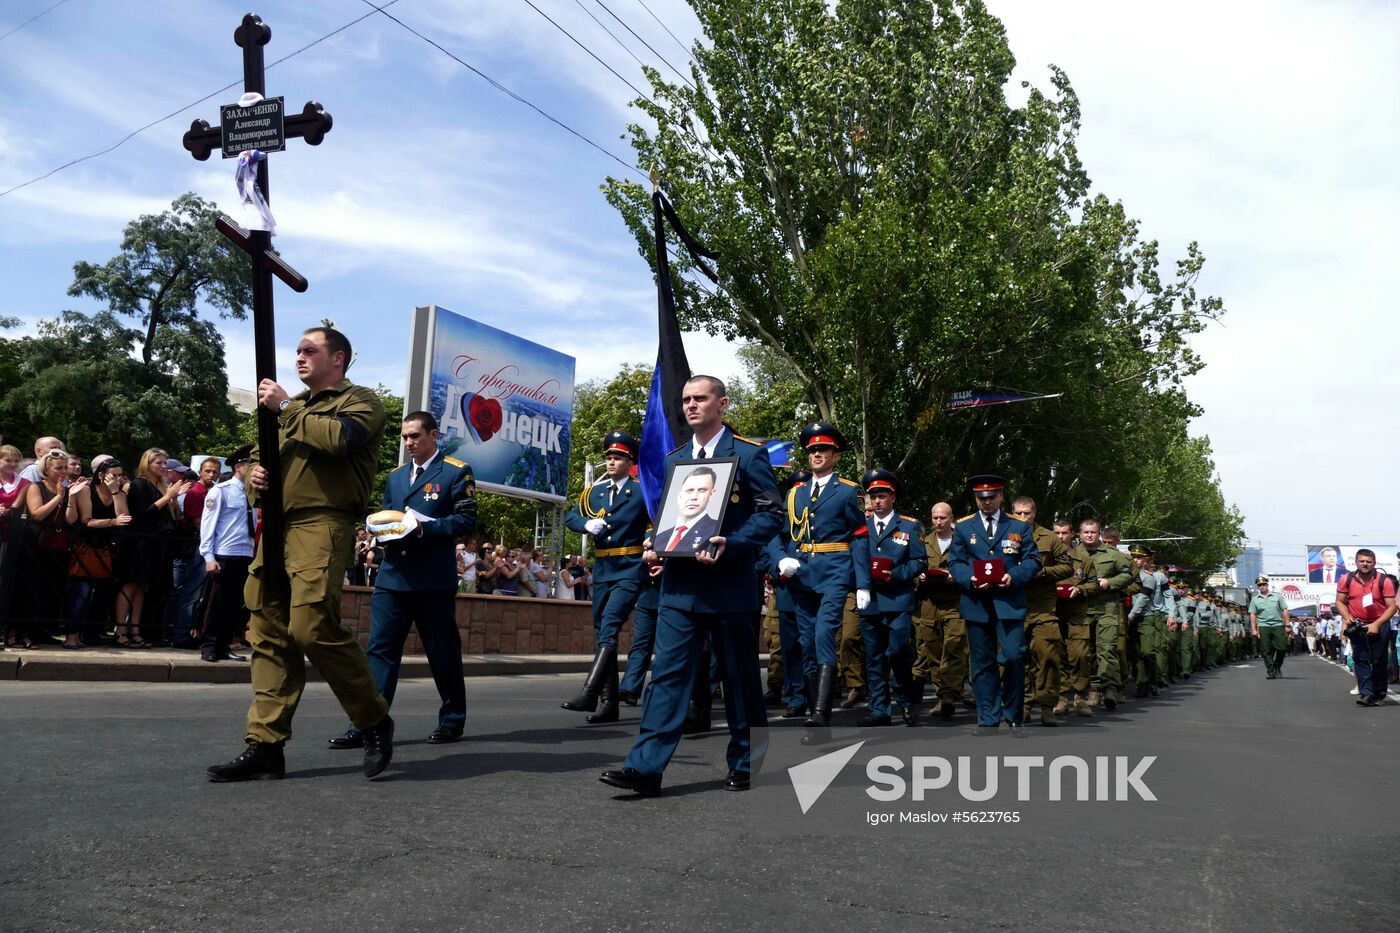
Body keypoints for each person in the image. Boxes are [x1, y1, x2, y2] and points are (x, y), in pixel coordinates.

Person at [207, 325, 394, 782]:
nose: (300, 358)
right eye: (297, 351)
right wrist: (254, 479)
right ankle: (265, 745)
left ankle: (372, 719)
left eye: (311, 351)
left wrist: (286, 407)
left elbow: (340, 440)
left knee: (311, 626)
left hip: (322, 523)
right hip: (277, 528)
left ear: (339, 359)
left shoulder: (360, 401)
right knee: (267, 634)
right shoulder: (288, 412)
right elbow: (263, 463)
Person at [600, 375, 781, 795]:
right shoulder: (675, 459)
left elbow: (771, 515)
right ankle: (645, 768)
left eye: (700, 398)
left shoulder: (750, 455)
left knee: (738, 679)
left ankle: (748, 762)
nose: (691, 406)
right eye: (686, 400)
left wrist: (731, 543)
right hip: (681, 586)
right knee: (666, 675)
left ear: (722, 404)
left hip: (730, 585)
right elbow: (673, 516)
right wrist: (660, 545)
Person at [329, 410, 477, 749]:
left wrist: (424, 527)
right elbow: (385, 514)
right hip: (393, 576)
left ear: (433, 435)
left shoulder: (456, 472)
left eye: (415, 436)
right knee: (380, 651)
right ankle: (366, 722)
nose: (409, 442)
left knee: (442, 652)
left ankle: (452, 719)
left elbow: (466, 521)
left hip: (431, 579)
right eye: (405, 437)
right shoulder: (397, 477)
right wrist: (377, 529)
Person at [772, 421, 868, 730]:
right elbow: (783, 535)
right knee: (806, 641)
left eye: (823, 450)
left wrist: (863, 582)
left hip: (834, 571)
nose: (816, 454)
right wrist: (781, 559)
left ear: (835, 456)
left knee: (824, 632)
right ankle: (815, 706)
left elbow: (860, 536)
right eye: (812, 450)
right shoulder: (794, 496)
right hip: (802, 574)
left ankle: (821, 712)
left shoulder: (849, 491)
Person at [561, 431, 647, 723]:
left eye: (618, 457)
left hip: (631, 566)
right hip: (604, 568)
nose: (611, 461)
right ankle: (609, 704)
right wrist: (587, 524)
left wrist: (649, 544)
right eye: (609, 457)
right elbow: (571, 516)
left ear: (630, 461)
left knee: (610, 624)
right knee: (602, 633)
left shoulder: (641, 490)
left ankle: (590, 691)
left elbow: (655, 522)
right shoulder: (593, 492)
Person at [947, 474, 1041, 735]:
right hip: (977, 602)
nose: (986, 502)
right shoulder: (964, 528)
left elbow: (1033, 561)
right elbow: (955, 563)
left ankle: (1013, 716)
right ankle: (987, 718)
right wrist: (970, 579)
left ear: (1001, 496)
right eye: (981, 498)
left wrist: (1015, 576)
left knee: (1013, 656)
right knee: (982, 662)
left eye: (991, 497)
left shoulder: (1018, 527)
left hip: (1008, 600)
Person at [850, 469, 927, 727]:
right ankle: (880, 710)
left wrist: (895, 575)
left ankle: (906, 702)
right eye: (873, 497)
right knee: (874, 657)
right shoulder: (861, 528)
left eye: (882, 496)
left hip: (898, 599)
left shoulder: (909, 525)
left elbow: (919, 562)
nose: (877, 501)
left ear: (893, 498)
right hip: (870, 600)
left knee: (898, 653)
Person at [1007, 496, 1073, 725]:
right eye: (1019, 513)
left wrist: (1044, 572)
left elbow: (1067, 566)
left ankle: (1046, 705)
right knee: (1017, 659)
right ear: (1012, 513)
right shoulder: (1004, 535)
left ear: (1035, 513)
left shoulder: (1049, 538)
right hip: (1013, 604)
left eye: (1027, 513)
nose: (1023, 518)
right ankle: (1024, 704)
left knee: (1048, 656)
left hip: (1043, 606)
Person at [124, 448, 191, 646]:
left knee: (163, 589)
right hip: (144, 544)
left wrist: (173, 497)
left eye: (164, 463)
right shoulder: (139, 484)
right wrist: (167, 496)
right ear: (147, 464)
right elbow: (143, 513)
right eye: (158, 463)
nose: (163, 467)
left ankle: (154, 631)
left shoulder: (163, 485)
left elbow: (175, 516)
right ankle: (139, 630)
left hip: (164, 545)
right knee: (146, 587)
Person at [198, 445, 257, 663]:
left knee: (235, 605)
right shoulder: (220, 491)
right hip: (224, 553)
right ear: (239, 467)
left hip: (244, 553)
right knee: (217, 603)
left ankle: (224, 645)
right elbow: (207, 525)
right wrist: (209, 557)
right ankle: (209, 646)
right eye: (251, 465)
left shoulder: (253, 494)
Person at [912, 502, 969, 720]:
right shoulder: (924, 543)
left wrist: (958, 576)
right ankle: (940, 693)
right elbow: (913, 566)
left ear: (951, 518)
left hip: (955, 601)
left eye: (943, 518)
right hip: (929, 602)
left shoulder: (962, 541)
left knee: (954, 649)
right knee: (932, 650)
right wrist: (920, 576)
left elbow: (972, 565)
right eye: (935, 518)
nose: (938, 522)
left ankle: (949, 695)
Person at [1079, 518, 1134, 708]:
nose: (1089, 535)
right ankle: (1094, 690)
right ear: (1080, 534)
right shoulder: (1074, 553)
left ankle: (1110, 689)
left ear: (1099, 533)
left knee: (1107, 648)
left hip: (1107, 608)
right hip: (1082, 609)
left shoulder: (1113, 554)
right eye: (1085, 532)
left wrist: (1109, 583)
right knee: (1088, 652)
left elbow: (1128, 575)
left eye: (1093, 532)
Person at [1334, 549, 1396, 706]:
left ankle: (1379, 694)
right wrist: (1347, 618)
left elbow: (1392, 606)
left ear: (1374, 563)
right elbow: (1340, 601)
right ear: (1356, 562)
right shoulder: (1346, 579)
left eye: (1368, 561)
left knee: (1379, 660)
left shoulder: (1384, 581)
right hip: (1357, 624)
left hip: (1379, 623)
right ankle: (1366, 694)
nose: (1365, 564)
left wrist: (1377, 624)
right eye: (1362, 561)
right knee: (1359, 659)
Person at [1053, 518, 1097, 716]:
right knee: (1056, 655)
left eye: (1064, 533)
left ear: (1072, 535)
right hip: (1052, 611)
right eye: (1057, 533)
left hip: (1077, 613)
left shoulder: (1083, 559)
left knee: (1080, 655)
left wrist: (1080, 589)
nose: (1061, 537)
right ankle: (1061, 697)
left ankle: (1080, 697)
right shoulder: (1046, 557)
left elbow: (1094, 584)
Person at [653, 466, 721, 555]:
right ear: (679, 496)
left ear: (711, 495)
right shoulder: (659, 538)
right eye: (689, 490)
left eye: (702, 490)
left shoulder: (716, 531)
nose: (694, 497)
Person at [1248, 576, 1289, 679]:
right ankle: (1270, 671)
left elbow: (1284, 610)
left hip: (1277, 625)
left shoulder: (1277, 596)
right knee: (1266, 650)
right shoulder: (1255, 600)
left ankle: (1277, 666)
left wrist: (1287, 624)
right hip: (1263, 626)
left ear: (1267, 585)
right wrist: (1254, 629)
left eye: (1264, 584)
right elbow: (1253, 614)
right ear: (1258, 587)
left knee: (1282, 648)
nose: (1262, 587)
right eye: (1260, 585)